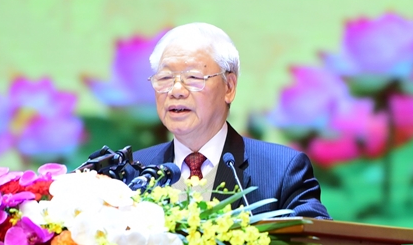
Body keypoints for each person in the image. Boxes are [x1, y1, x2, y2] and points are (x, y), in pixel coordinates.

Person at [133, 22, 330, 219]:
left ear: (229, 87)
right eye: (166, 78)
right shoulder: (132, 172)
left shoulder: (282, 172)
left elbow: (320, 243)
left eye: (193, 77)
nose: (176, 91)